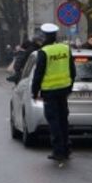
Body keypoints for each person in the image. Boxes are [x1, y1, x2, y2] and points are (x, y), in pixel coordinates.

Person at [30, 23, 76, 162]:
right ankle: (67, 148)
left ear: (44, 36)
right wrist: (70, 86)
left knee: (54, 121)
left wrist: (34, 91)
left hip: (49, 91)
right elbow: (72, 70)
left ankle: (58, 151)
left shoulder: (44, 51)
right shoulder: (65, 48)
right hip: (64, 90)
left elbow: (39, 74)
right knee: (63, 119)